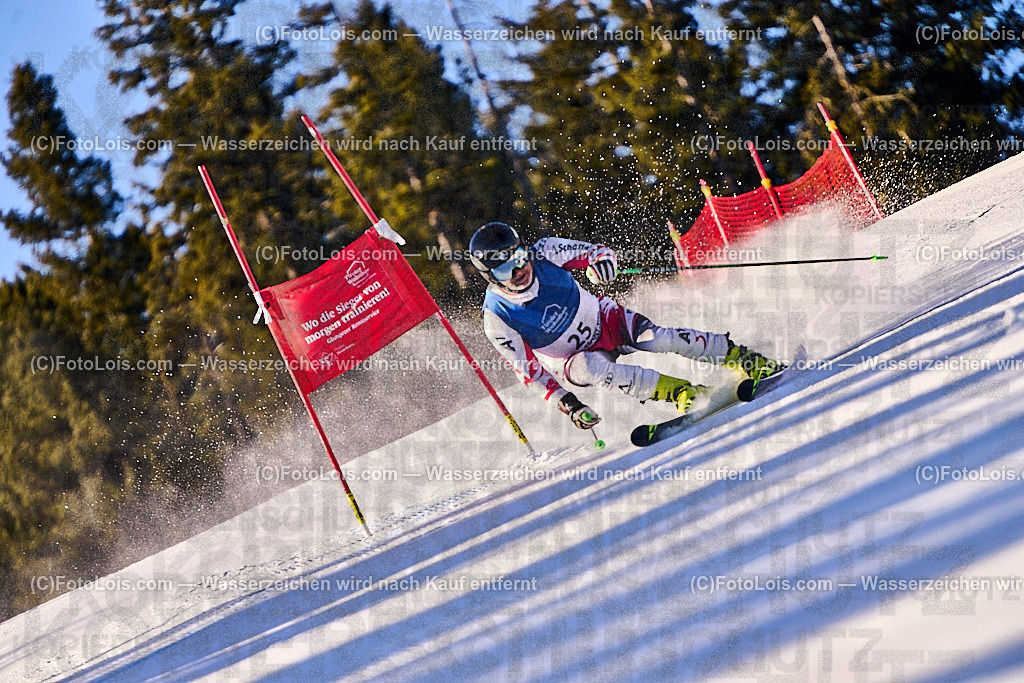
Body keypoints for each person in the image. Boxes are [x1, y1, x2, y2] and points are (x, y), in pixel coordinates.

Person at [469, 222, 780, 430]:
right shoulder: (497, 316)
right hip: (571, 360)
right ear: (490, 276)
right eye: (506, 268)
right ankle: (683, 394)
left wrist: (604, 263)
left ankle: (744, 358)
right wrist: (569, 405)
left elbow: (596, 252)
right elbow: (529, 371)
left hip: (605, 320)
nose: (519, 269)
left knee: (658, 339)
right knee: (593, 368)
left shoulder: (546, 252)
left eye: (519, 257)